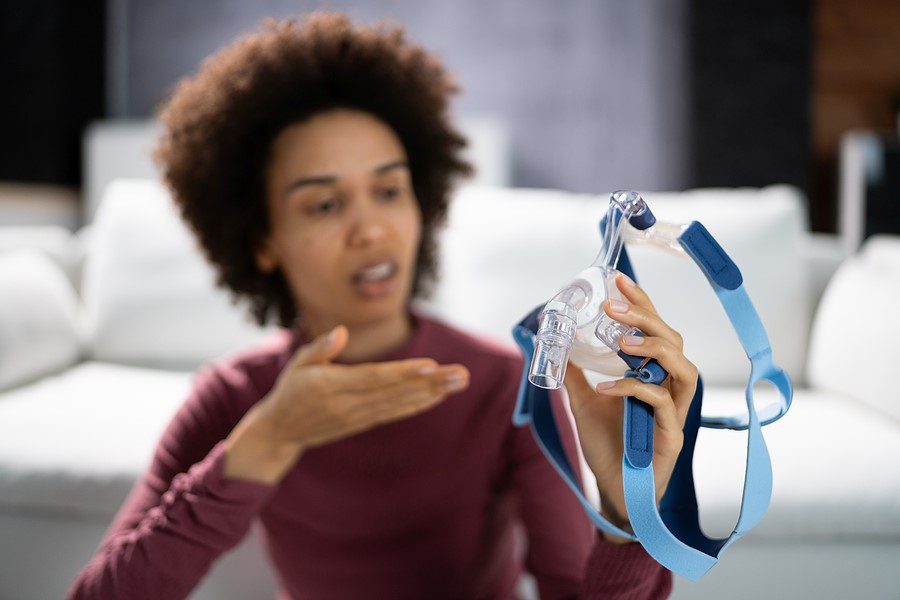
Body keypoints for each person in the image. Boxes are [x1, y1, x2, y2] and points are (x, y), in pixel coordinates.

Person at [69, 12, 698, 600]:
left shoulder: (507, 385)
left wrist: (625, 520)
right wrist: (268, 440)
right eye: (324, 204)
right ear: (261, 239)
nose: (371, 229)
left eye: (389, 190)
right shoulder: (236, 398)